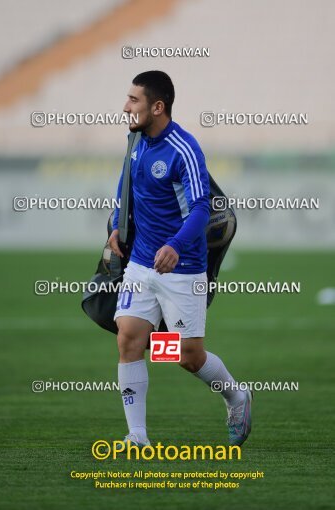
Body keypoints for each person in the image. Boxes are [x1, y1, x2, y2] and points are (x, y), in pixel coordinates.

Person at [108, 70, 252, 448]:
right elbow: (127, 184)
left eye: (133, 100)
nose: (126, 106)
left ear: (158, 107)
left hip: (183, 266)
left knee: (187, 355)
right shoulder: (135, 139)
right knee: (129, 339)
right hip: (141, 262)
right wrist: (115, 223)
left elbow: (202, 209)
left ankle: (236, 396)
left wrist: (174, 245)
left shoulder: (184, 148)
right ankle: (137, 435)